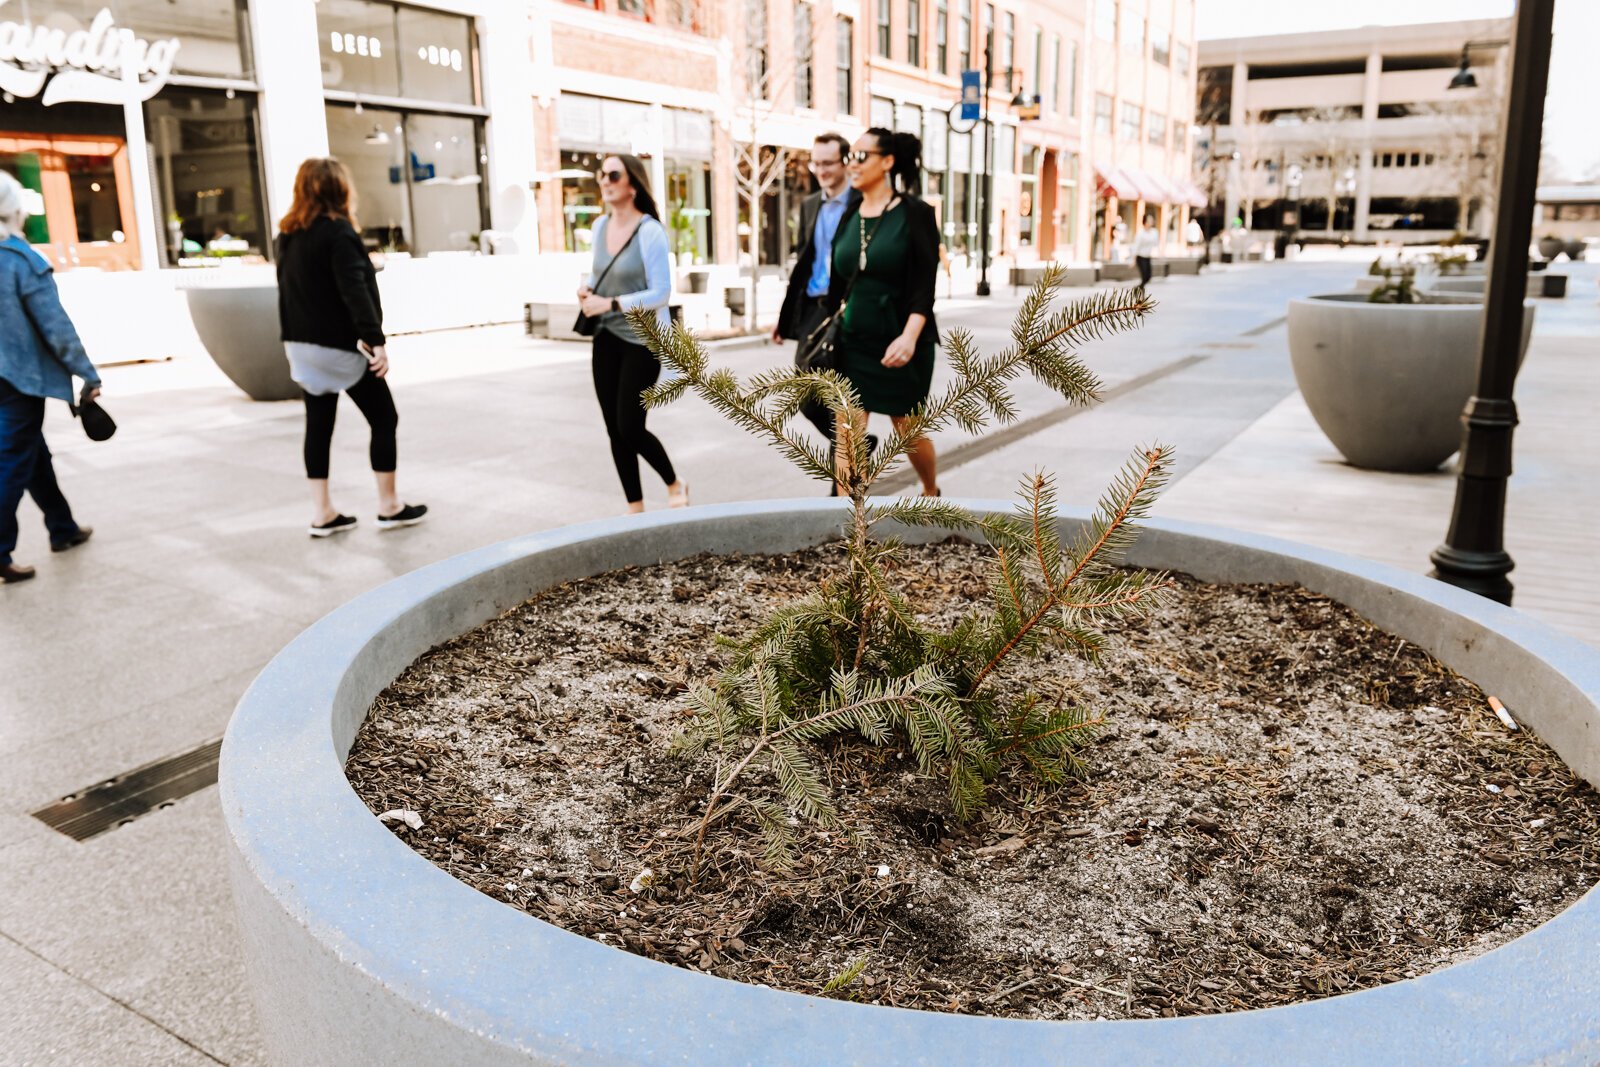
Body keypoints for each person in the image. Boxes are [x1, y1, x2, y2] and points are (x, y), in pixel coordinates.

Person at [276, 158, 426, 538]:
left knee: (319, 427)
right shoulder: (339, 233)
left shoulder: (287, 235)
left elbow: (291, 291)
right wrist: (376, 342)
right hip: (339, 348)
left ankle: (323, 513)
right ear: (341, 190)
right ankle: (389, 506)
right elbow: (354, 291)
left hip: (300, 345)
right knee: (384, 418)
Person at [826, 128, 941, 497]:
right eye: (851, 157)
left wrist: (909, 337)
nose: (853, 164)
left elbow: (925, 286)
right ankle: (849, 524)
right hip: (854, 341)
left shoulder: (915, 214)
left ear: (887, 162)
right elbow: (835, 283)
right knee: (848, 434)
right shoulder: (849, 214)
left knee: (907, 428)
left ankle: (930, 489)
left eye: (862, 156)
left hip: (902, 339)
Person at [0, 171, 98, 584]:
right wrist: (87, 373)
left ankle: (63, 527)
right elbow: (55, 326)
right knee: (11, 463)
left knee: (31, 454)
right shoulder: (20, 260)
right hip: (17, 380)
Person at [577, 153, 687, 514]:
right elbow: (597, 275)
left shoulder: (650, 231)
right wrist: (587, 290)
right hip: (606, 338)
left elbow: (661, 293)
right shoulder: (598, 227)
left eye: (613, 174)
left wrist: (611, 304)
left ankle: (674, 482)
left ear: (633, 184)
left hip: (641, 341)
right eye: (601, 175)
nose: (604, 181)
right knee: (614, 430)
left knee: (630, 426)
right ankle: (635, 509)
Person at [773, 132, 863, 487]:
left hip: (846, 307)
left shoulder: (861, 202)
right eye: (816, 163)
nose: (821, 170)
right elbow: (804, 261)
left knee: (840, 396)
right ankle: (855, 445)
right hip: (813, 306)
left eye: (828, 163)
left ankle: (838, 492)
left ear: (844, 162)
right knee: (807, 396)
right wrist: (785, 319)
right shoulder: (810, 204)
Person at [1133, 214, 1160, 288]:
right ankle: (1140, 291)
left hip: (1148, 257)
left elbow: (1156, 244)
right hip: (1140, 257)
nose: (1152, 221)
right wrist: (1133, 260)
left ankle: (1137, 289)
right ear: (1145, 221)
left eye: (1152, 219)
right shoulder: (1140, 233)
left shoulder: (1154, 232)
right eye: (1149, 220)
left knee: (1148, 277)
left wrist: (1158, 253)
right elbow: (1136, 246)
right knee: (1144, 276)